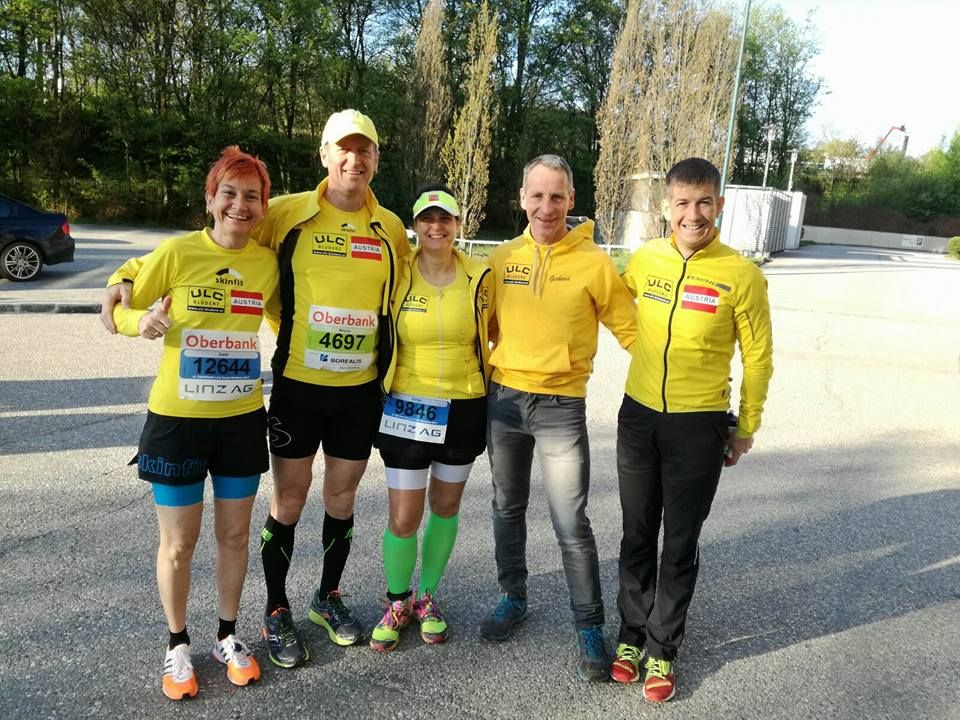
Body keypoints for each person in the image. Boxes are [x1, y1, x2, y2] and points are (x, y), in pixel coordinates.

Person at [100, 110, 410, 668]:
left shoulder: (388, 227)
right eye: (344, 148)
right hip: (296, 387)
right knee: (288, 501)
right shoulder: (284, 212)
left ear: (376, 159)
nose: (354, 160)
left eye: (365, 150)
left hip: (360, 391)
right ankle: (274, 608)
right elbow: (208, 247)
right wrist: (123, 281)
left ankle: (328, 598)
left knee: (341, 500)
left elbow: (414, 282)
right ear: (324, 153)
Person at [109, 147, 278, 699]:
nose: (240, 204)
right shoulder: (179, 252)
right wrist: (142, 321)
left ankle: (227, 636)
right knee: (179, 543)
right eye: (229, 192)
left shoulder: (267, 264)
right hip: (178, 421)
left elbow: (287, 313)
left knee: (234, 534)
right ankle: (177, 643)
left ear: (263, 206)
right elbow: (121, 311)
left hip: (241, 421)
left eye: (251, 195)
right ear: (210, 200)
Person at [609, 157, 773, 702]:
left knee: (679, 542)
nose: (693, 214)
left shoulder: (741, 274)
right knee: (636, 534)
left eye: (704, 202)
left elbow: (759, 357)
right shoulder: (645, 259)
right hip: (638, 417)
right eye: (682, 202)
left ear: (720, 205)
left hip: (699, 425)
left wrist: (745, 424)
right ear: (666, 207)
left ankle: (662, 649)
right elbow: (604, 300)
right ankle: (631, 635)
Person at [479, 154, 637, 681]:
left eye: (557, 196)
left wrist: (685, 388)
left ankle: (589, 624)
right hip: (503, 401)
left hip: (560, 408)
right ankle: (513, 596)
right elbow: (485, 329)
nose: (546, 207)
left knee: (571, 521)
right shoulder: (502, 259)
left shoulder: (595, 263)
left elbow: (634, 331)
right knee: (506, 507)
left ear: (572, 200)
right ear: (522, 198)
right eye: (537, 195)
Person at [368, 185, 493, 652]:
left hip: (465, 403)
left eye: (445, 219)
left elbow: (496, 328)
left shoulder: (481, 275)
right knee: (404, 516)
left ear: (458, 224)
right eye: (427, 219)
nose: (436, 227)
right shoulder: (396, 275)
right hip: (406, 404)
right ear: (415, 225)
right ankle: (397, 600)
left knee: (444, 507)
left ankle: (428, 597)